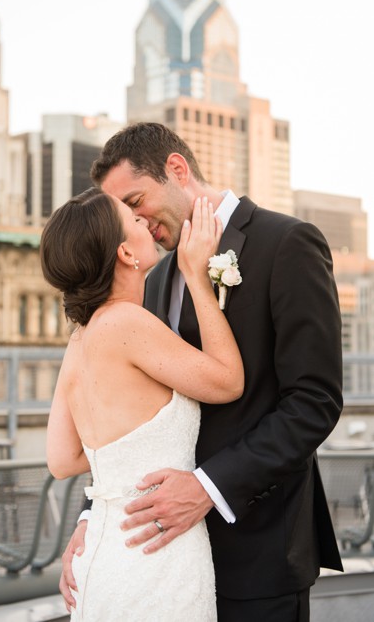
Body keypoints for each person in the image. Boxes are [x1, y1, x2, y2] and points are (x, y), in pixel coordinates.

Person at [58, 122, 342, 620]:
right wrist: (96, 514)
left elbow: (313, 402)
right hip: (160, 555)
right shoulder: (153, 276)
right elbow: (133, 420)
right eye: (124, 215)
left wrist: (206, 488)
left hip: (256, 552)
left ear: (177, 169)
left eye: (136, 200)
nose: (137, 223)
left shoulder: (287, 243)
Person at [44, 187, 242, 619]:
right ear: (126, 254)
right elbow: (227, 383)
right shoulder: (129, 322)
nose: (144, 222)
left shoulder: (80, 338)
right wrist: (196, 277)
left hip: (108, 551)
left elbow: (62, 459)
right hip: (158, 553)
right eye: (132, 220)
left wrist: (125, 477)